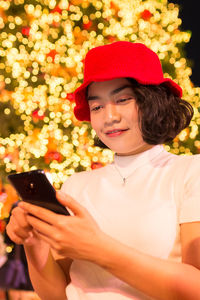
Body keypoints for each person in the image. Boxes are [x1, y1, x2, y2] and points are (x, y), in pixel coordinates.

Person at [6, 41, 200, 300]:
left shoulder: (189, 171)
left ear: (153, 101)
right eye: (97, 106)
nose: (109, 116)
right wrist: (34, 243)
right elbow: (58, 295)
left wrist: (98, 249)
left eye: (122, 100)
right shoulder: (76, 185)